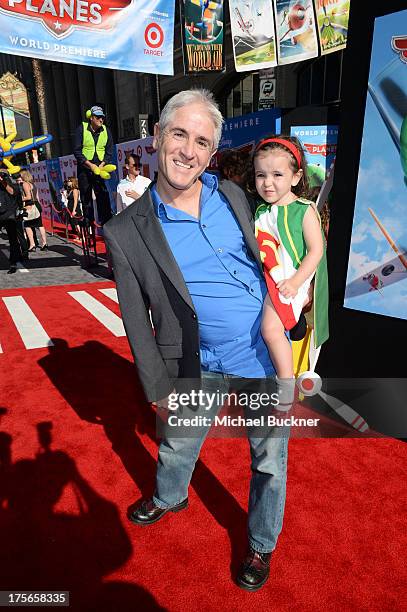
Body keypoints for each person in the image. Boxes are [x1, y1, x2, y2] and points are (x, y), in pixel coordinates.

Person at [104, 89, 290, 592]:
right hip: (195, 360)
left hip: (260, 353)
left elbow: (266, 257)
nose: (188, 150)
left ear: (212, 153)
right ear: (159, 138)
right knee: (178, 441)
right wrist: (157, 386)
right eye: (180, 134)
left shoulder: (232, 195)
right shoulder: (124, 231)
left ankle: (261, 542)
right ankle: (170, 495)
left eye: (201, 141)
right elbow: (136, 322)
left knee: (270, 459)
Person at [253, 136, 329, 388]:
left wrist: (296, 283)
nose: (268, 183)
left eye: (277, 174)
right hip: (270, 279)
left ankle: (285, 384)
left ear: (295, 177)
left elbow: (316, 251)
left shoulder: (304, 209)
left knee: (271, 330)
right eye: (261, 175)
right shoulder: (262, 211)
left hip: (290, 282)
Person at [73, 105, 113, 226]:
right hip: (85, 167)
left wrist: (102, 164)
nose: (101, 120)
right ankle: (87, 218)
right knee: (85, 193)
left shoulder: (106, 130)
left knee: (102, 193)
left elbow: (109, 151)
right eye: (98, 117)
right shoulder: (82, 129)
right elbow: (77, 151)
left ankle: (106, 219)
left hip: (100, 167)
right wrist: (90, 165)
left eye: (102, 118)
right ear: (91, 118)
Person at [20, 169, 48, 251]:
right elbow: (37, 197)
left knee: (27, 225)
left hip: (30, 205)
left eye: (20, 175)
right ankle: (44, 243)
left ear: (23, 176)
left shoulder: (25, 184)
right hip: (37, 205)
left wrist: (20, 198)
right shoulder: (33, 184)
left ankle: (32, 245)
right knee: (40, 225)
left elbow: (28, 197)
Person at [0, 172, 22, 273]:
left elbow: (12, 192)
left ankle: (13, 262)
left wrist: (3, 181)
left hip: (9, 214)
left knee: (13, 239)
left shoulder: (11, 185)